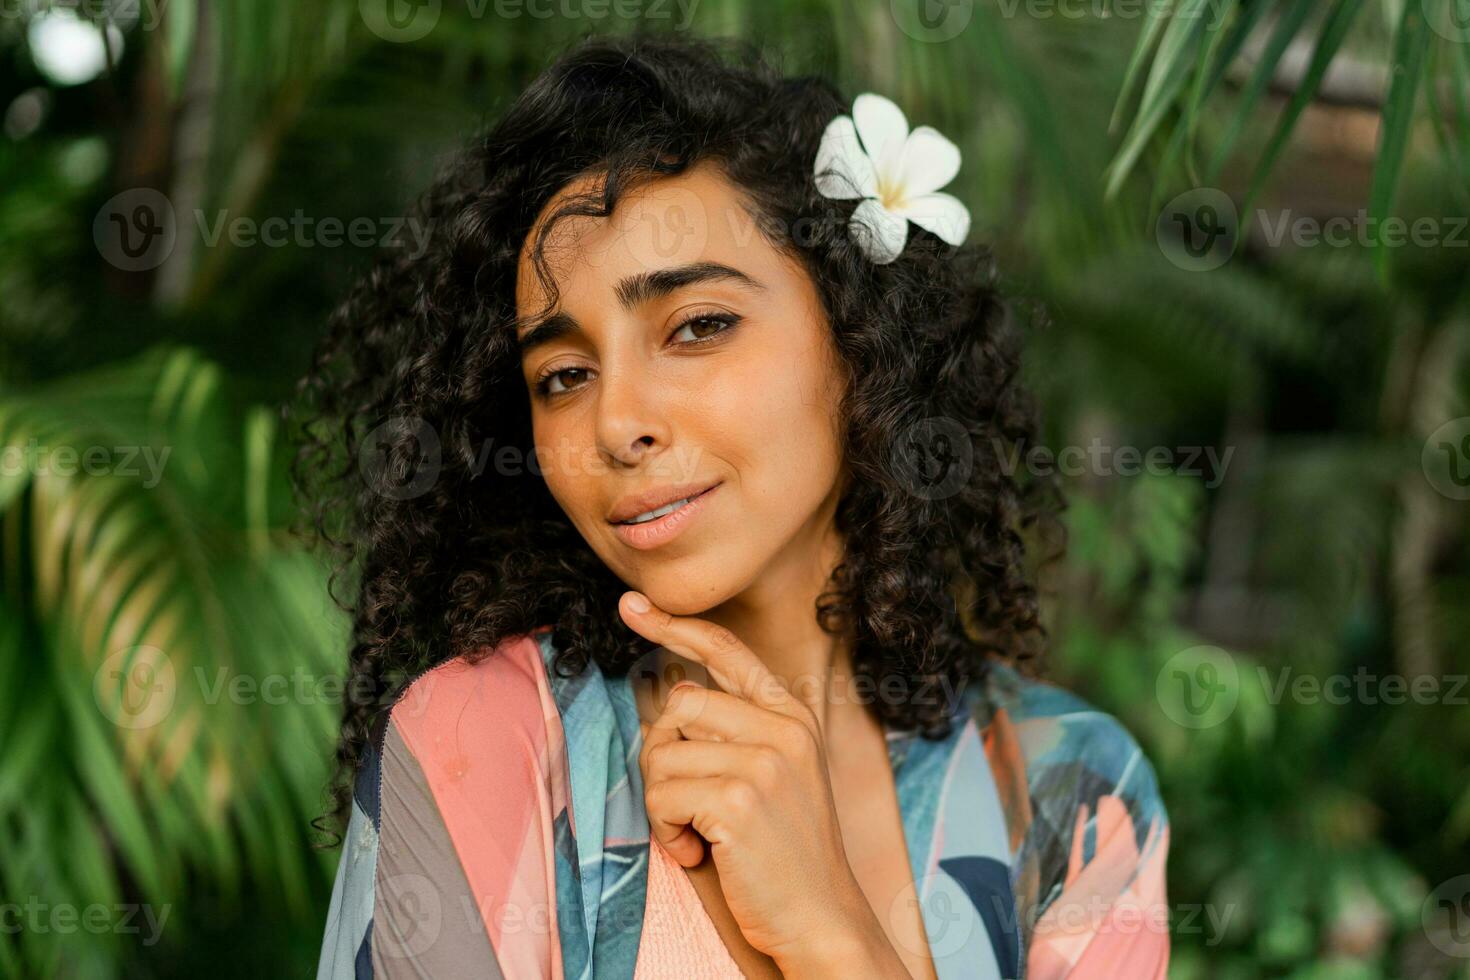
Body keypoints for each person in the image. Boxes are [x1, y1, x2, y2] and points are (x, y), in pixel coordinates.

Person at [296, 32, 1170, 980]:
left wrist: (835, 934)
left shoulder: (1070, 795)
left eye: (698, 326)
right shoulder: (485, 743)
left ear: (859, 336)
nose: (617, 422)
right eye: (563, 374)